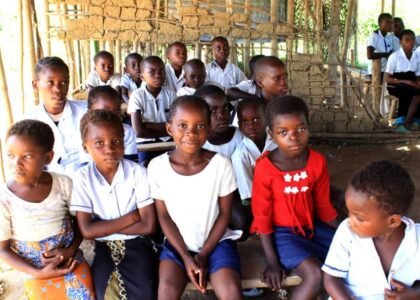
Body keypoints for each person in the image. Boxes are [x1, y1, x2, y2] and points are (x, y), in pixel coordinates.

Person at [148, 96, 242, 300]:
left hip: (217, 243)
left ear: (208, 130)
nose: (191, 133)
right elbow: (163, 216)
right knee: (166, 291)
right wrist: (185, 256)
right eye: (182, 125)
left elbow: (225, 214)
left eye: (200, 125)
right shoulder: (157, 167)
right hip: (177, 246)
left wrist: (202, 255)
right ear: (169, 128)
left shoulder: (221, 164)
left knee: (231, 292)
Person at [251, 96, 338, 300]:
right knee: (315, 274)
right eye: (284, 132)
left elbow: (323, 206)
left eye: (301, 129)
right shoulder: (265, 168)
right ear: (271, 135)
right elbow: (262, 217)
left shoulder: (317, 161)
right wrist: (272, 261)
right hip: (283, 235)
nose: (294, 137)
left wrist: (346, 232)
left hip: (313, 229)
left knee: (354, 253)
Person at [0, 120, 95, 299]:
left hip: (70, 260)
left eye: (27, 156)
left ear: (48, 157)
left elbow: (81, 223)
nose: (17, 163)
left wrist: (71, 249)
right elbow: (2, 249)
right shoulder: (4, 199)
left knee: (86, 294)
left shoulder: (63, 184)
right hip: (33, 270)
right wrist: (38, 273)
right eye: (10, 155)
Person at [70, 110, 158, 299]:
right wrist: (132, 217)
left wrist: (102, 228)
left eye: (116, 141)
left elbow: (149, 226)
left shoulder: (138, 173)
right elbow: (87, 231)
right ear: (85, 147)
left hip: (139, 243)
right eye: (99, 143)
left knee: (144, 290)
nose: (109, 148)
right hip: (105, 247)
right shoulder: (82, 179)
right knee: (104, 291)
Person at [323, 160, 420, 299]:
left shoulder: (417, 240)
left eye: (360, 218)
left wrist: (414, 294)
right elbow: (331, 278)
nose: (350, 221)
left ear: (392, 221)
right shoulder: (347, 232)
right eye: (349, 212)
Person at [26, 56, 86, 177]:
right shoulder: (29, 123)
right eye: (50, 82)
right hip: (47, 187)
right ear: (35, 85)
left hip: (85, 183)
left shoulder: (86, 112)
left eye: (63, 82)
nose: (57, 89)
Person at [127, 56, 177, 164]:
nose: (158, 75)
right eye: (152, 72)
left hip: (169, 142)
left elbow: (176, 126)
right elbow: (139, 131)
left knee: (173, 167)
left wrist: (147, 125)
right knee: (146, 167)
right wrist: (167, 129)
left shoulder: (171, 95)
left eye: (161, 71)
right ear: (142, 76)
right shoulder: (137, 96)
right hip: (145, 144)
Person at [87, 86, 138, 162]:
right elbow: (87, 165)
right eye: (104, 111)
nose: (111, 116)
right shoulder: (86, 133)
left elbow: (131, 162)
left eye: (116, 111)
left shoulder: (127, 131)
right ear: (90, 111)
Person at [384, 29, 420, 133]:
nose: (411, 42)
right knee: (412, 93)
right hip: (395, 85)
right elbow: (387, 79)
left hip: (411, 84)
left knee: (416, 92)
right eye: (407, 40)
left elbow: (417, 75)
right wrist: (405, 82)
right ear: (400, 42)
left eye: (413, 39)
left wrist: (418, 82)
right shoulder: (395, 57)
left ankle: (412, 120)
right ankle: (403, 123)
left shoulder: (416, 57)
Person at [195, 85, 243, 158]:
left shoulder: (240, 136)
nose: (222, 115)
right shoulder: (195, 143)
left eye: (226, 107)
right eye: (213, 110)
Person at [366, 13, 399, 79]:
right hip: (376, 72)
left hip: (386, 71)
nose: (391, 25)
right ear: (380, 23)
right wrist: (386, 54)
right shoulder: (374, 37)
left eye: (392, 23)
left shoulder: (389, 37)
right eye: (388, 22)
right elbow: (369, 55)